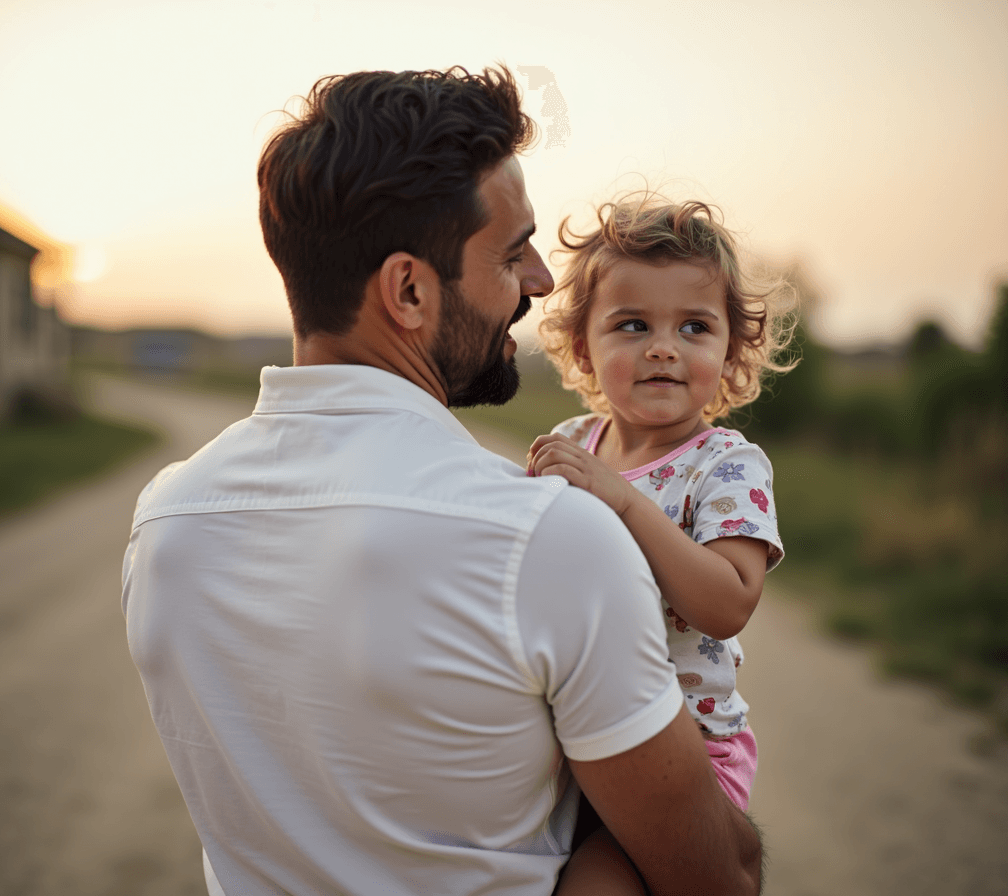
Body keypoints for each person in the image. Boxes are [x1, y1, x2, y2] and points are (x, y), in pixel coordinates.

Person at [122, 66, 762, 896]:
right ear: (411, 290)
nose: (539, 280)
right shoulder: (548, 539)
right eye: (510, 252)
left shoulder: (166, 525)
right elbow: (720, 876)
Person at [527, 194, 796, 888]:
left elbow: (729, 603)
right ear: (583, 344)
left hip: (687, 751)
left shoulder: (726, 466)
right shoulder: (570, 444)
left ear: (730, 348)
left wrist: (622, 500)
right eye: (633, 323)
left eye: (695, 327)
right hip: (575, 736)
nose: (663, 347)